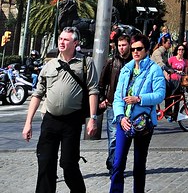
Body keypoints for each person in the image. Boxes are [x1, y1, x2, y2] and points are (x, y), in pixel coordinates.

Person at [22, 26, 99, 193]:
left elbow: (93, 90)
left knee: (68, 163)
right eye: (60, 39)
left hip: (72, 121)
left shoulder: (85, 63)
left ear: (75, 43)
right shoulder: (50, 65)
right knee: (45, 161)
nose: (62, 42)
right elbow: (37, 94)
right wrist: (28, 123)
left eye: (66, 39)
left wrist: (92, 118)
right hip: (50, 120)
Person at [109, 31, 166, 193]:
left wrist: (139, 99)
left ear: (146, 50)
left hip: (142, 123)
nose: (135, 52)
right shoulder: (126, 69)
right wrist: (120, 117)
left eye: (139, 49)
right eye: (133, 48)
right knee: (118, 162)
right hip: (124, 122)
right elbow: (118, 96)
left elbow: (160, 94)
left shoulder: (154, 70)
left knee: (139, 163)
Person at [98, 31, 132, 174]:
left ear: (129, 45)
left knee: (123, 138)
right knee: (113, 138)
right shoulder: (112, 62)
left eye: (124, 45)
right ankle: (114, 165)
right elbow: (102, 82)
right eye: (119, 45)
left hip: (129, 105)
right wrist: (103, 99)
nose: (121, 48)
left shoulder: (134, 63)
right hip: (113, 105)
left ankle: (117, 163)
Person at [150, 33, 173, 112]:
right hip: (154, 76)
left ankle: (168, 110)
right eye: (169, 43)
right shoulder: (158, 52)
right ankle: (167, 110)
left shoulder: (164, 53)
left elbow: (167, 65)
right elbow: (161, 64)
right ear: (164, 43)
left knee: (170, 87)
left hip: (158, 75)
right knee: (168, 87)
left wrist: (175, 71)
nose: (170, 44)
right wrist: (167, 70)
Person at [167, 43, 188, 121]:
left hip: (179, 82)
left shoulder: (185, 61)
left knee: (177, 99)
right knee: (169, 97)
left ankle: (175, 115)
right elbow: (167, 69)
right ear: (177, 51)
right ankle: (168, 113)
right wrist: (167, 78)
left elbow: (185, 73)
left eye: (182, 50)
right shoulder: (172, 59)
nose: (181, 51)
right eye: (179, 49)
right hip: (172, 81)